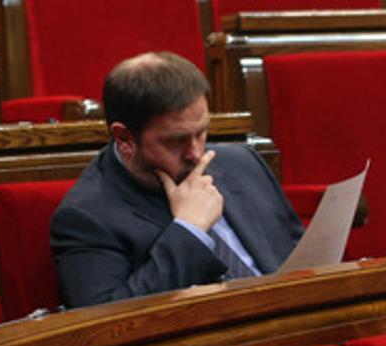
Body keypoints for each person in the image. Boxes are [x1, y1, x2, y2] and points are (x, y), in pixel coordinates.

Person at [51, 51, 304, 308]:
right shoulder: (87, 217)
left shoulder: (242, 163)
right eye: (175, 140)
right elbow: (104, 323)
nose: (196, 154)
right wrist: (189, 230)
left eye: (202, 132)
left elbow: (301, 257)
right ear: (124, 138)